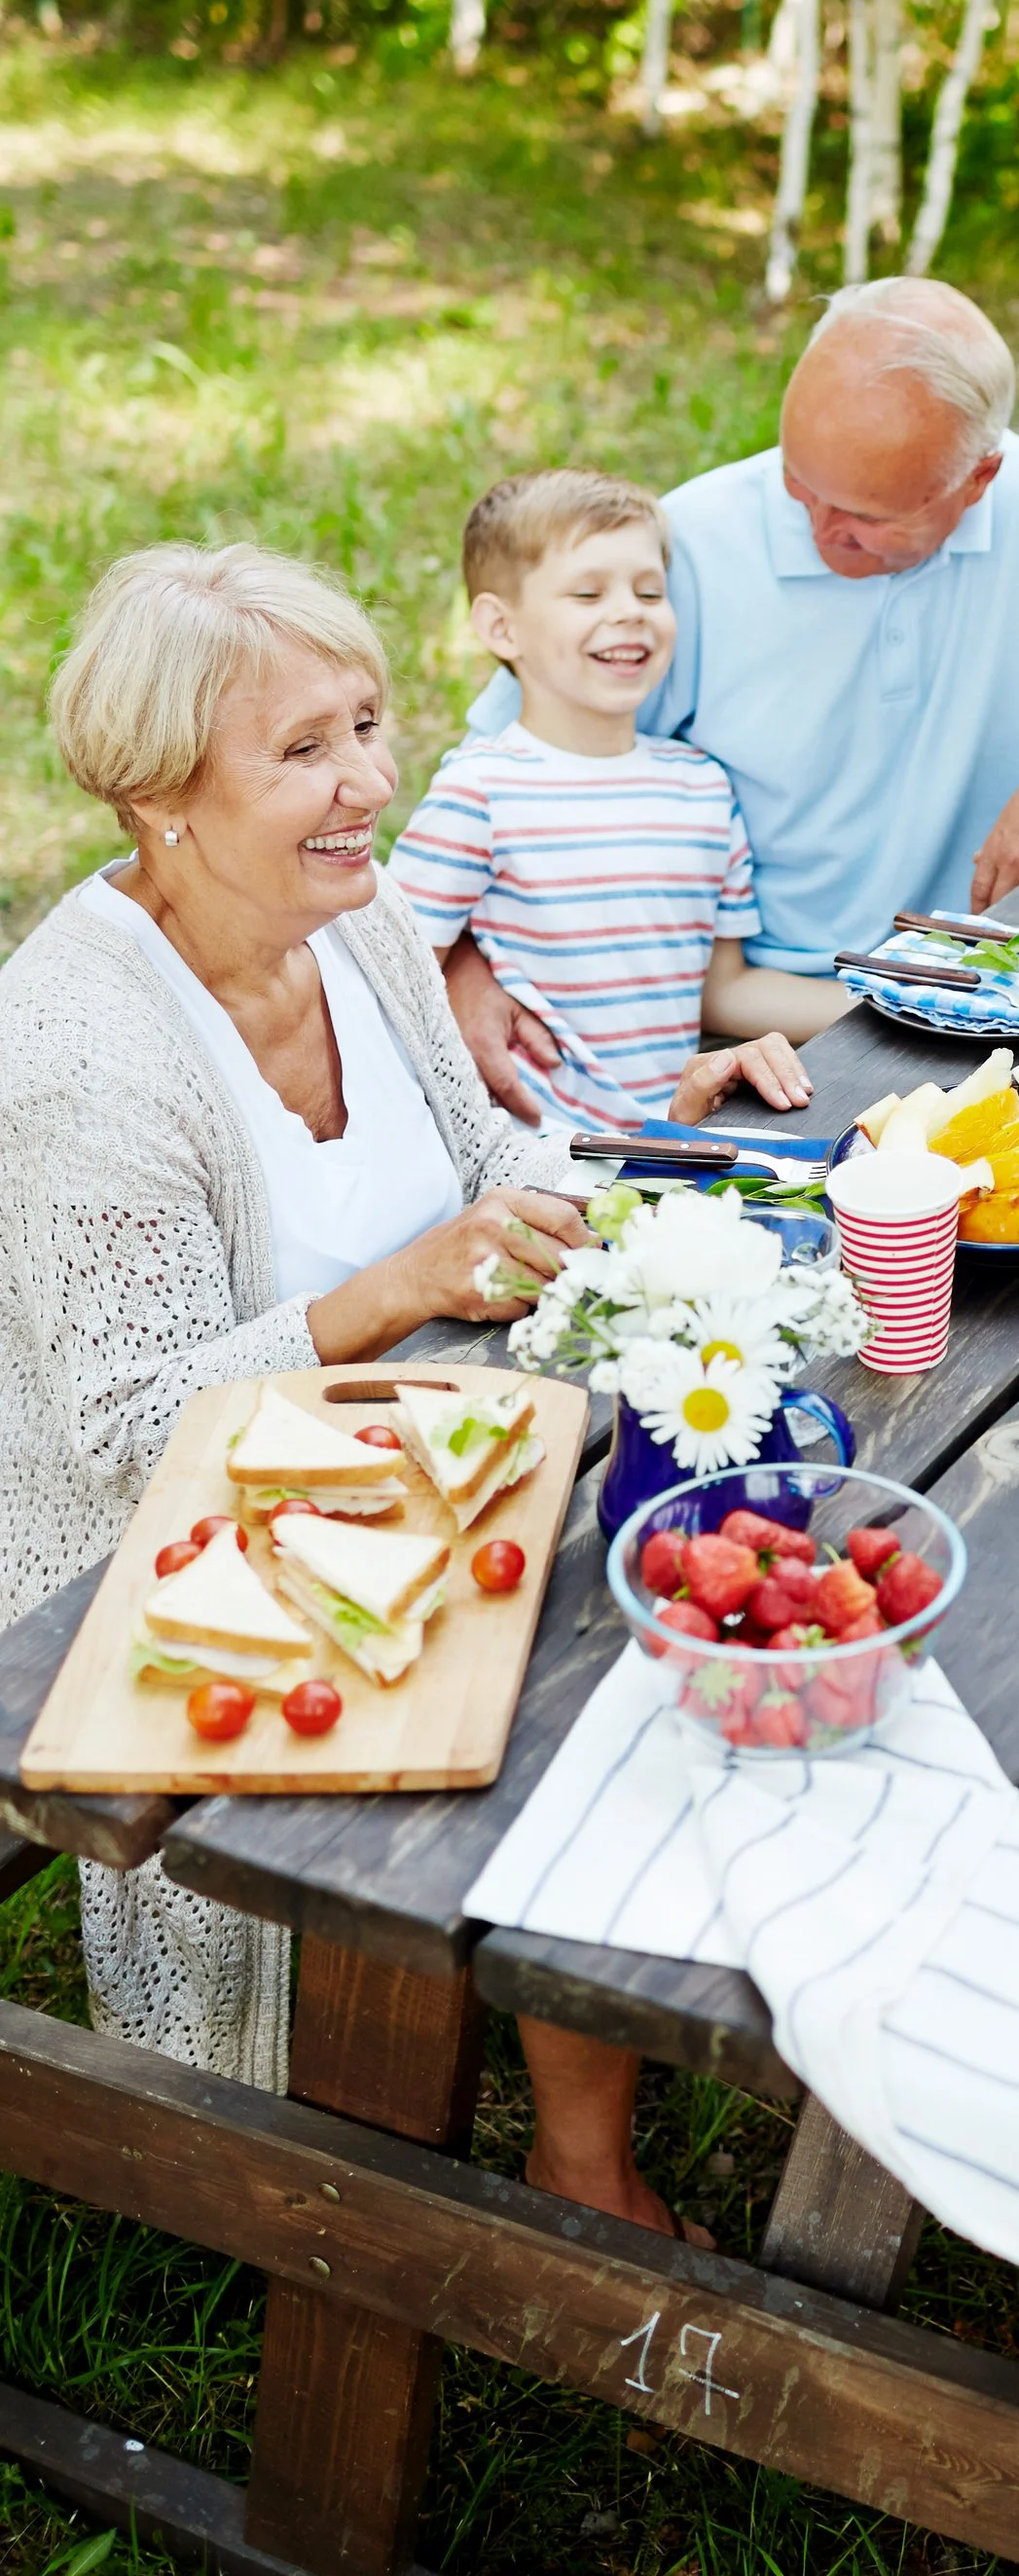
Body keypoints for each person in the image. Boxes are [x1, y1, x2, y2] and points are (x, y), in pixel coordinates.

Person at [0, 546, 695, 2235]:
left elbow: (487, 1144)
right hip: (168, 1559)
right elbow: (115, 1429)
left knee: (663, 1573)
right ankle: (483, 2167)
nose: (371, 783)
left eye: (372, 724)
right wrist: (395, 1293)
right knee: (585, 1666)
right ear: (159, 793)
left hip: (420, 1455)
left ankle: (577, 2117)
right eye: (305, 749)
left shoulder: (361, 913)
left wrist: (563, 1192)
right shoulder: (77, 1040)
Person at [444, 277, 1019, 1119]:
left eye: (868, 516)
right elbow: (503, 773)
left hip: (995, 1016)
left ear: (976, 481)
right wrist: (469, 961)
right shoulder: (683, 552)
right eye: (800, 479)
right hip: (750, 1032)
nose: (815, 523)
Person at [390, 468, 828, 1136]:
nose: (629, 610)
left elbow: (726, 989)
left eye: (650, 590)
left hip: (672, 1147)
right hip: (522, 1161)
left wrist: (886, 1006)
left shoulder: (703, 789)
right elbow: (391, 979)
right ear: (502, 628)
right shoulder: (478, 792)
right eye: (588, 592)